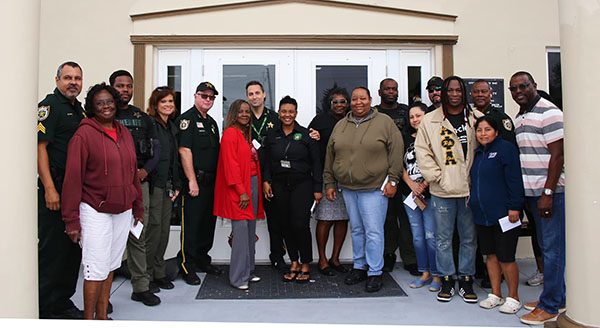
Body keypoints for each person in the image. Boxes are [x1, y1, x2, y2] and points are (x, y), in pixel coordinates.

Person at [61, 83, 144, 319]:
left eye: (109, 101)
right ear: (91, 108)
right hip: (94, 210)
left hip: (123, 210)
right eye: (100, 103)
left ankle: (102, 315)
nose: (106, 106)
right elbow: (72, 181)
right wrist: (71, 221)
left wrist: (137, 206)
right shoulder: (83, 135)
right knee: (95, 269)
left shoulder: (124, 133)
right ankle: (89, 319)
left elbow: (132, 173)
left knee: (109, 266)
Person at [324, 87, 404, 292]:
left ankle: (375, 271)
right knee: (357, 230)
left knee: (374, 232)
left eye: (363, 98)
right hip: (348, 188)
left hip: (374, 188)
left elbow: (396, 151)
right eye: (354, 99)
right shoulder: (341, 125)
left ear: (370, 100)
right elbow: (330, 155)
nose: (358, 102)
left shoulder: (384, 122)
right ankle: (359, 266)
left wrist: (393, 181)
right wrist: (330, 182)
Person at [415, 75, 482, 303]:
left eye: (458, 90)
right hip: (442, 190)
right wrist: (437, 177)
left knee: (468, 239)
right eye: (450, 90)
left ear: (464, 92)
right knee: (443, 238)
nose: (454, 94)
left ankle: (465, 280)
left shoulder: (476, 118)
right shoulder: (430, 120)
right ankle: (446, 279)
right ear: (443, 93)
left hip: (469, 191)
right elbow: (422, 152)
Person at [509, 72, 566, 325]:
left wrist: (548, 193)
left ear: (534, 86)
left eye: (524, 86)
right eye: (514, 88)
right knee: (546, 247)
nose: (519, 90)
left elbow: (558, 156)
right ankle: (559, 298)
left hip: (550, 193)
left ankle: (550, 306)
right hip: (532, 194)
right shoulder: (521, 115)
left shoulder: (549, 112)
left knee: (552, 250)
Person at [37, 61, 85, 319]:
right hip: (56, 189)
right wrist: (49, 189)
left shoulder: (79, 110)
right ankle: (46, 306)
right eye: (68, 77)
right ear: (57, 80)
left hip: (75, 192)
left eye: (77, 78)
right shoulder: (50, 106)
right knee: (53, 250)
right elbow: (40, 148)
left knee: (71, 250)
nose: (73, 82)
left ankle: (63, 301)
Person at [109, 70, 161, 306]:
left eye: (128, 86)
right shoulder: (102, 115)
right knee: (107, 238)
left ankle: (140, 287)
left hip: (140, 183)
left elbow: (156, 151)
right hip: (110, 187)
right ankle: (102, 293)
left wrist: (145, 171)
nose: (125, 90)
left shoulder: (143, 118)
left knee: (138, 234)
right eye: (120, 86)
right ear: (112, 87)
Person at [262, 96, 323, 283]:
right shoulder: (272, 136)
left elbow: (316, 164)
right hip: (279, 184)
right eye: (284, 111)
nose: (287, 115)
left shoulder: (307, 135)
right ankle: (294, 262)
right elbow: (266, 162)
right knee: (285, 224)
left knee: (299, 224)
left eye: (291, 111)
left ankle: (306, 263)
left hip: (302, 185)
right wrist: (266, 181)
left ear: (296, 113)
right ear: (279, 113)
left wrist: (317, 188)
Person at [470, 116, 524, 314]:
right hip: (483, 215)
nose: (483, 133)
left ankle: (514, 297)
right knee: (490, 255)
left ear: (497, 132)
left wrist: (515, 207)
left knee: (506, 256)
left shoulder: (505, 149)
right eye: (479, 130)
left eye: (488, 129)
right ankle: (495, 293)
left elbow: (515, 180)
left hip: (505, 215)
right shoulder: (477, 153)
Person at [214, 99, 265, 290]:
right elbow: (231, 166)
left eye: (247, 111)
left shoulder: (246, 134)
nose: (245, 114)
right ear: (233, 114)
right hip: (239, 189)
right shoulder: (230, 134)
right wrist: (242, 192)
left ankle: (248, 271)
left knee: (250, 230)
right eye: (241, 111)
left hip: (252, 185)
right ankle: (237, 278)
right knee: (241, 233)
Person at [176, 82, 223, 285]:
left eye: (211, 97)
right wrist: (192, 180)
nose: (207, 100)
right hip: (195, 183)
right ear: (195, 96)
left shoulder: (212, 122)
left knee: (207, 225)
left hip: (211, 183)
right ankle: (188, 265)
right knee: (192, 226)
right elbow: (184, 151)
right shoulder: (187, 120)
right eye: (204, 96)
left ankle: (203, 260)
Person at [375, 78, 418, 276]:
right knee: (387, 218)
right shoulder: (374, 113)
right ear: (380, 92)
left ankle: (410, 258)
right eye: (387, 89)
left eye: (394, 89)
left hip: (409, 173)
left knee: (408, 217)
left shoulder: (406, 112)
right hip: (383, 172)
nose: (391, 92)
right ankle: (388, 255)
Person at [308, 88, 351, 276]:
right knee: (325, 219)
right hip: (327, 176)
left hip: (349, 177)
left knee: (343, 218)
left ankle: (335, 258)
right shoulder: (320, 121)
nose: (339, 105)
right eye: (335, 102)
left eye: (343, 101)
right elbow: (309, 146)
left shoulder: (353, 120)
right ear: (329, 104)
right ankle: (323, 260)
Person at [400, 102, 442, 291]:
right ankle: (424, 272)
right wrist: (411, 185)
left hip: (430, 194)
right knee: (417, 236)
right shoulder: (405, 138)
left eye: (419, 115)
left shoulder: (436, 135)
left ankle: (437, 275)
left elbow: (440, 163)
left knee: (431, 235)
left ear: (427, 115)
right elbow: (397, 163)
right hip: (409, 195)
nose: (415, 119)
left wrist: (423, 185)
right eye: (412, 117)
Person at [246, 81, 286, 270]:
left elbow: (290, 132)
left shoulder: (275, 117)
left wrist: (313, 134)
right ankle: (246, 258)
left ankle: (277, 255)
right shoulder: (244, 117)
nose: (254, 96)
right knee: (245, 218)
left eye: (257, 93)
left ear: (264, 95)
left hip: (271, 173)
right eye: (250, 93)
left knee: (276, 218)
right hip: (248, 174)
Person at [145, 86, 182, 290]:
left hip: (169, 186)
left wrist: (177, 184)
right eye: (163, 102)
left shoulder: (171, 127)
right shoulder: (151, 125)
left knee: (164, 232)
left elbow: (173, 159)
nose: (168, 105)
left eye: (170, 101)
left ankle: (159, 274)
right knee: (154, 230)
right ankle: (147, 276)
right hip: (154, 186)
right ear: (155, 105)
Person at [470, 79, 516, 145]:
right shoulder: (468, 116)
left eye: (484, 91)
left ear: (490, 93)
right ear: (471, 94)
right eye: (476, 92)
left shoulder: (500, 117)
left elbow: (509, 145)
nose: (480, 94)